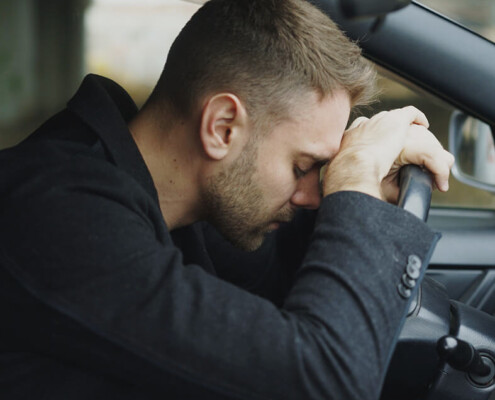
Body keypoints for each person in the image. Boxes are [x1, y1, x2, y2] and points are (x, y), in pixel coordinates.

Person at [0, 0, 453, 399]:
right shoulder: (60, 215)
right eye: (302, 166)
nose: (312, 194)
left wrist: (357, 183)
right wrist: (356, 181)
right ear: (222, 128)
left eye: (322, 171)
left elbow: (278, 285)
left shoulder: (184, 201)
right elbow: (322, 382)